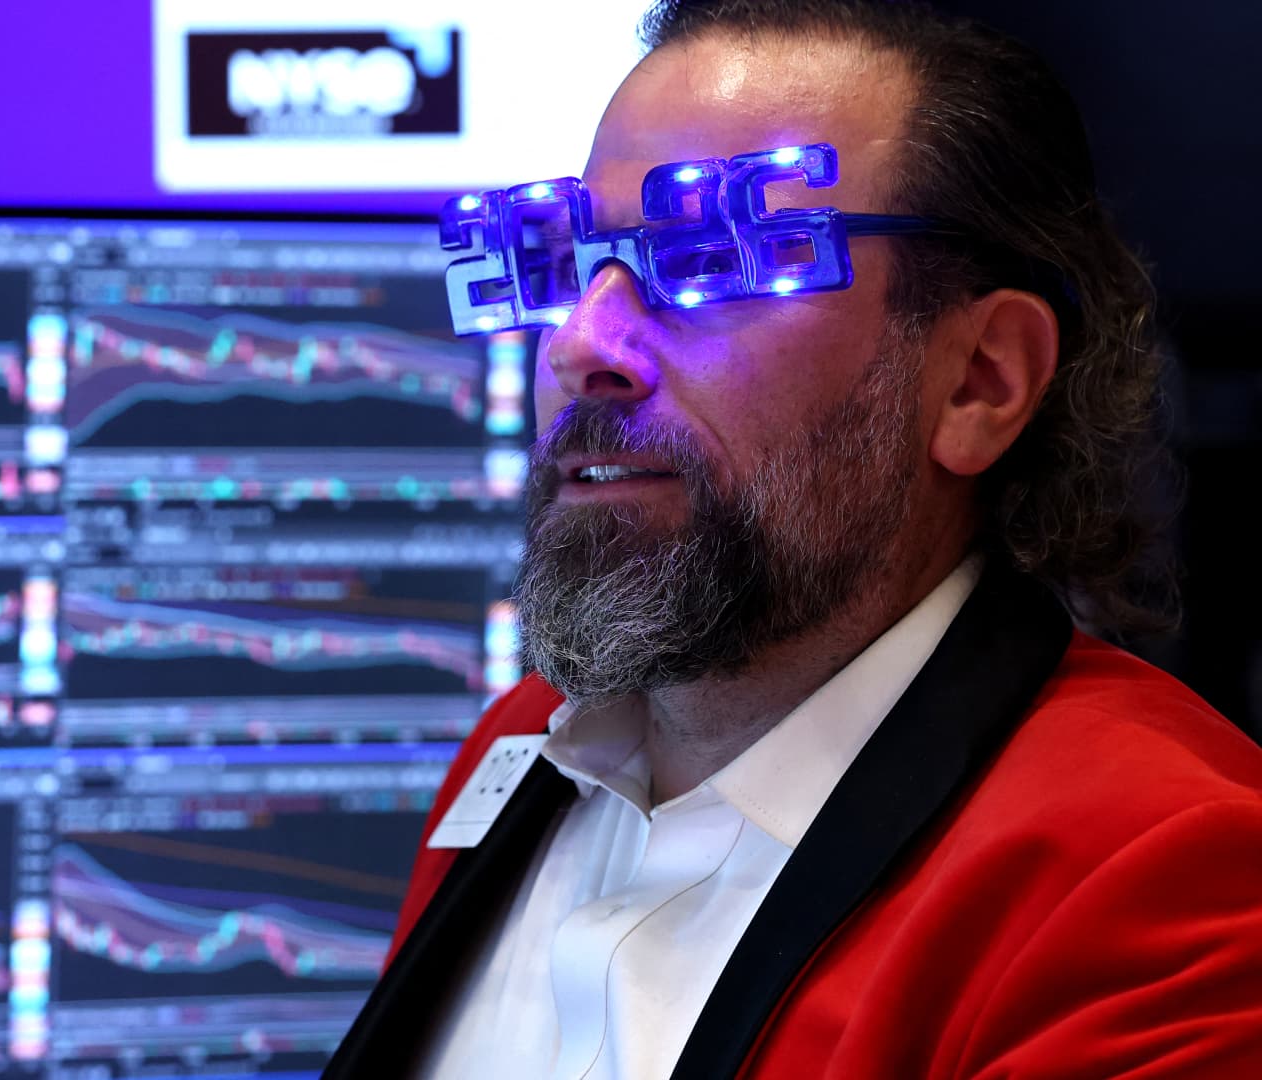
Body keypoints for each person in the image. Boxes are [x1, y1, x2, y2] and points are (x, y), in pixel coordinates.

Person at [323, 1, 1262, 1077]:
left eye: (713, 255)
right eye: (571, 264)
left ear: (979, 381)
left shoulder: (1159, 867)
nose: (581, 344)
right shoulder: (522, 748)